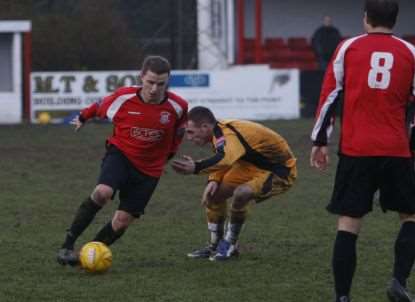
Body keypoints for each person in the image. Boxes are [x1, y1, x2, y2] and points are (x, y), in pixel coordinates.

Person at [310, 1, 415, 301]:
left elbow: (329, 96)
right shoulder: (410, 52)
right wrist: (414, 142)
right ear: (395, 19)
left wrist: (319, 141)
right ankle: (399, 282)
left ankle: (342, 297)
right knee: (411, 216)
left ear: (366, 18)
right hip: (395, 149)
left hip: (356, 150)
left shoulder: (347, 48)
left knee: (349, 222)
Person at [56, 55, 188, 266]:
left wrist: (170, 154)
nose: (154, 88)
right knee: (102, 192)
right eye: (150, 82)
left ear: (168, 81)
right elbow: (98, 106)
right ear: (141, 77)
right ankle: (67, 245)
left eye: (160, 84)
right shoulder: (123, 98)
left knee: (122, 221)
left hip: (150, 170)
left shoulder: (178, 106)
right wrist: (83, 117)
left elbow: (178, 132)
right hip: (121, 155)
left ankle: (87, 255)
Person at [170, 106, 297, 261]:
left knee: (241, 194)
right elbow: (228, 156)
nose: (188, 137)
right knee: (213, 195)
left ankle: (229, 244)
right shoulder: (218, 131)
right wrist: (214, 179)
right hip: (249, 165)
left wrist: (196, 167)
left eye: (190, 132)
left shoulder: (227, 134)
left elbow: (226, 158)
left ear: (204, 127)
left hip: (278, 170)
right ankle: (215, 245)